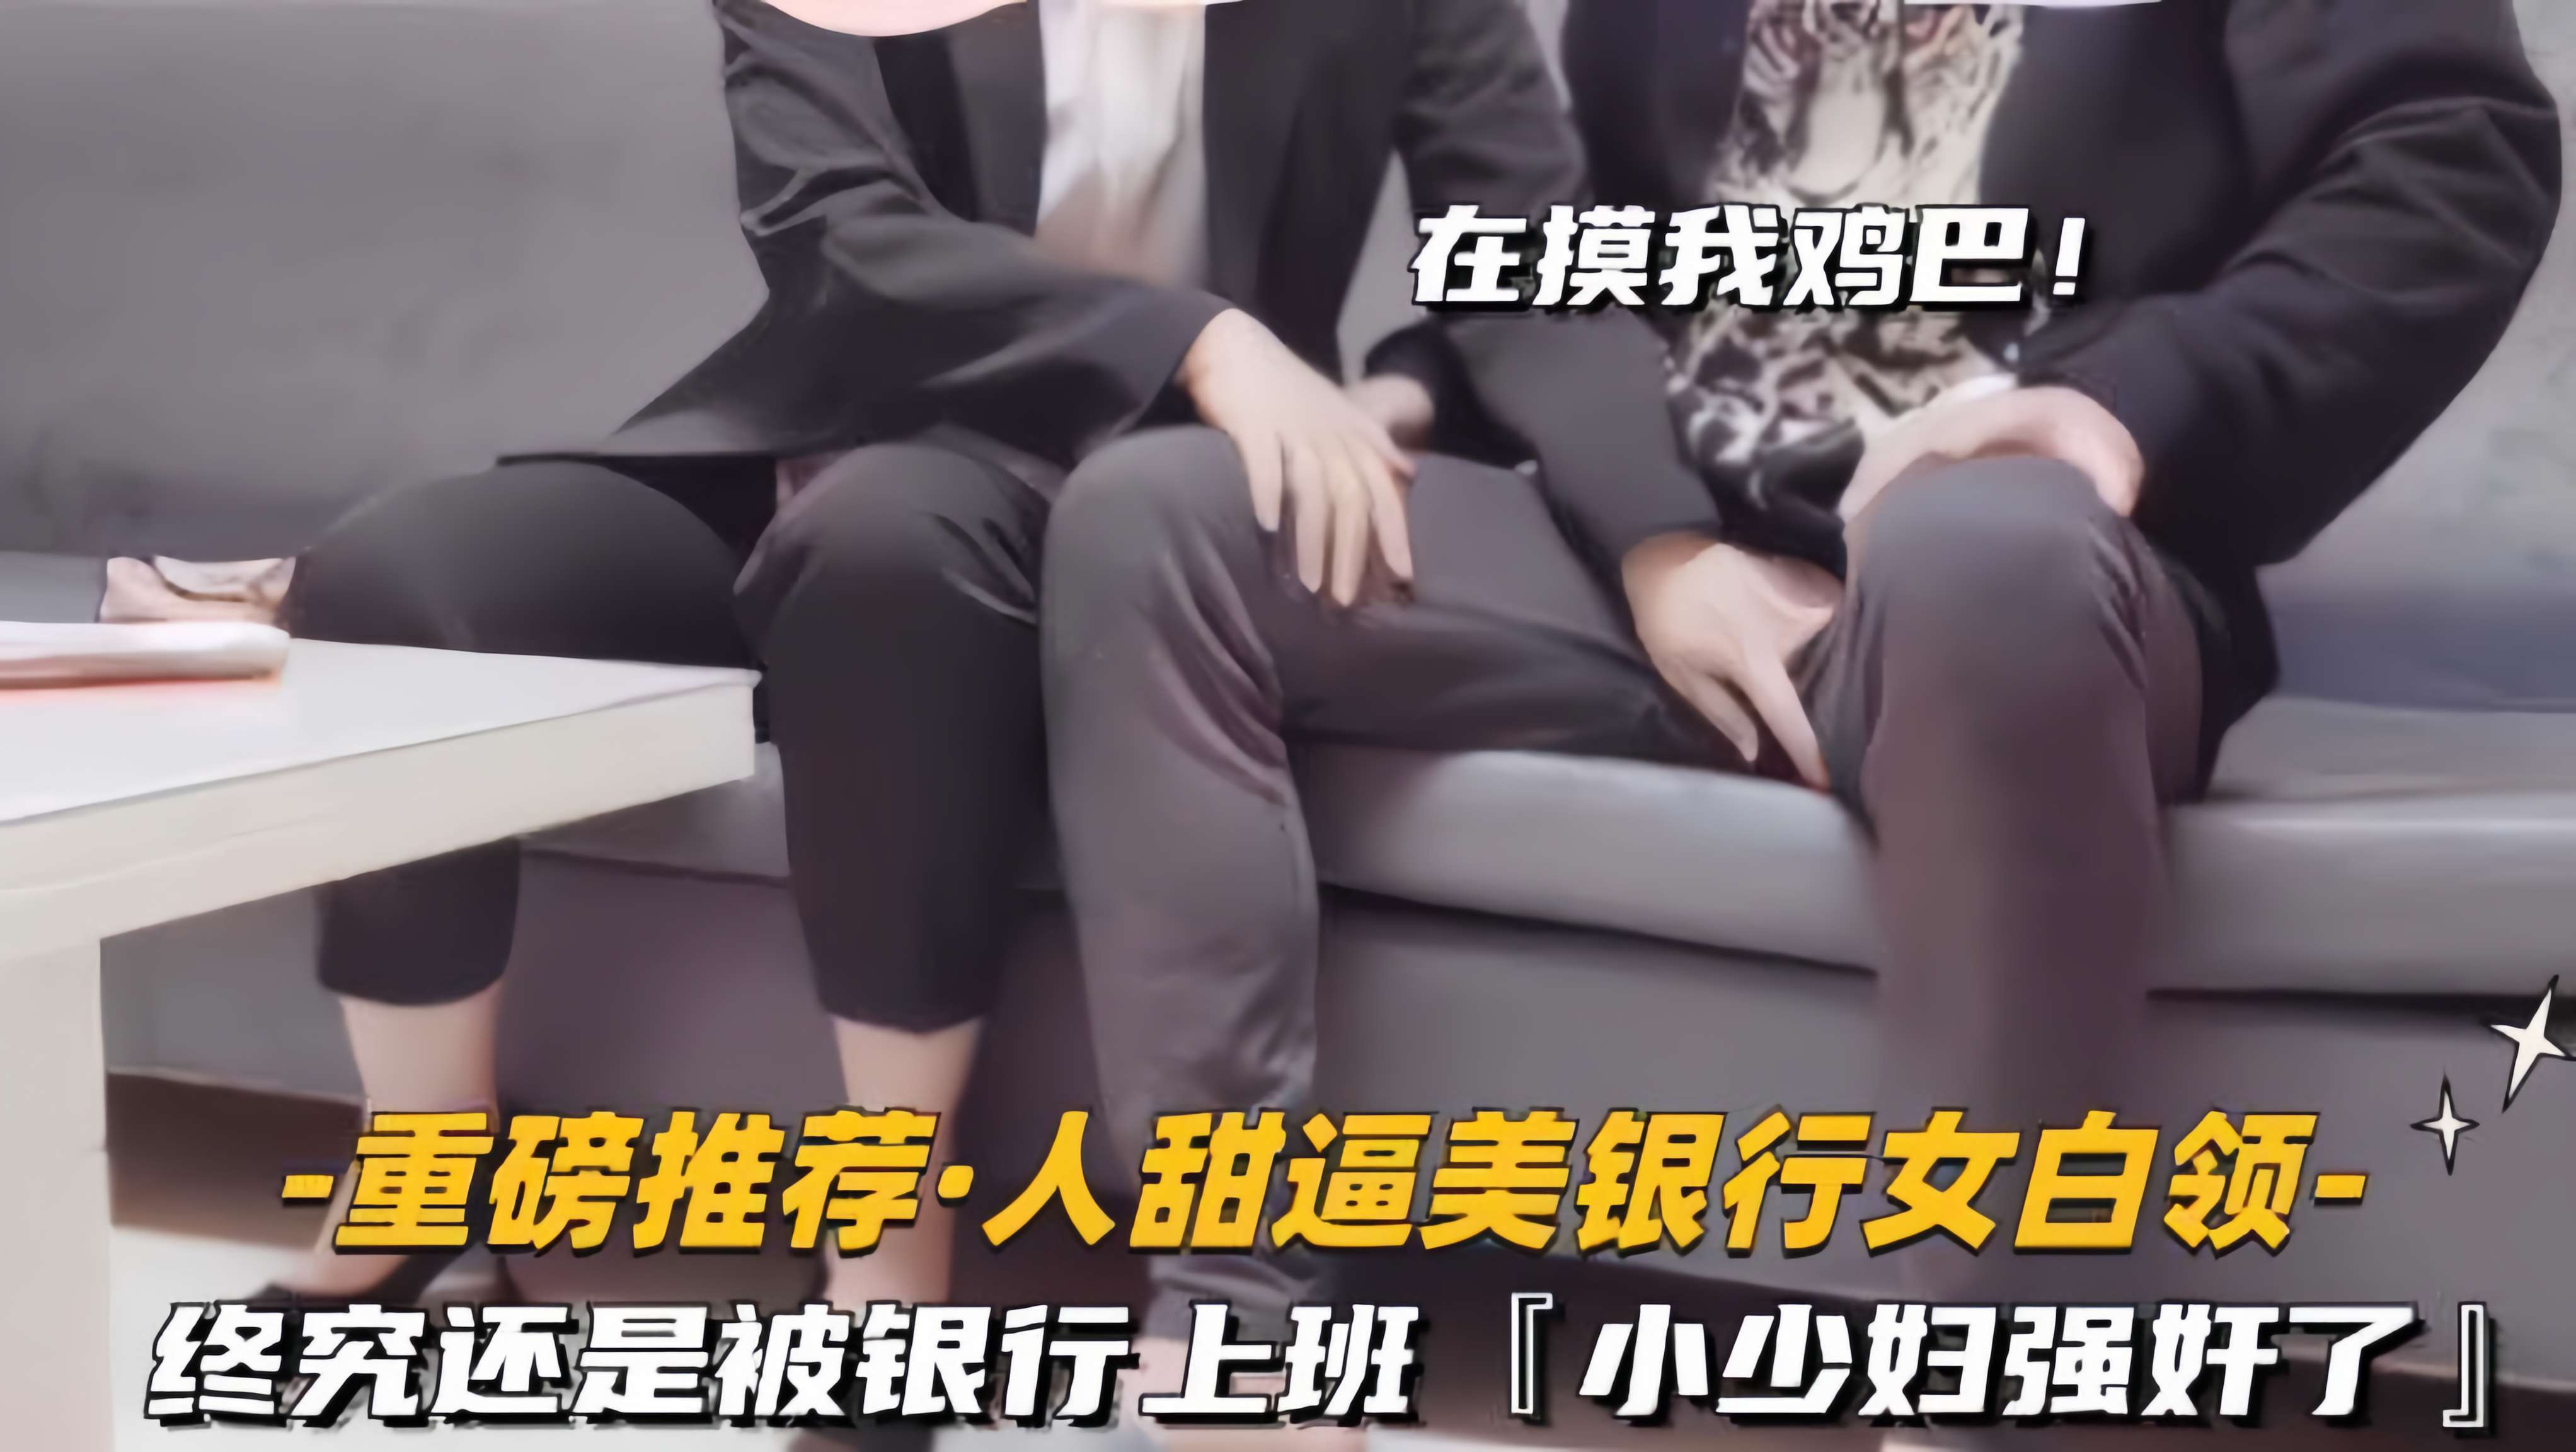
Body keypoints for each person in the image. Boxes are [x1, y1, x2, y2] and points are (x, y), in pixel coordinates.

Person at [1042, 0, 2560, 1361]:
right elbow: (1626, 246)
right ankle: (1236, 1332)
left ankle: (1963, 1382)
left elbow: (2450, 155)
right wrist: (1425, 387)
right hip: (1672, 560)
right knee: (1164, 517)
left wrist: (2126, 406)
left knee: (1980, 554)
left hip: (2018, 571)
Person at [256, 0, 1711, 1371]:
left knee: (887, 543)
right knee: (395, 583)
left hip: (1137, 506)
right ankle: (431, 1163)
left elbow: (1533, 262)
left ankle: (889, 1236)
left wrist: (1660, 541)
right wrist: (1202, 341)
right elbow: (837, 230)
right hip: (818, 437)